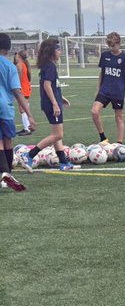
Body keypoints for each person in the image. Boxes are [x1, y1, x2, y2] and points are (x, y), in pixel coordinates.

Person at [20, 38, 76, 171]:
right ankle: (28, 155)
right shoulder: (50, 66)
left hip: (50, 102)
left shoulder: (47, 65)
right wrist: (55, 104)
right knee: (58, 135)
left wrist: (60, 98)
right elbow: (46, 86)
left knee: (56, 134)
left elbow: (51, 85)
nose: (60, 52)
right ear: (52, 52)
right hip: (51, 105)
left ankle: (63, 162)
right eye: (58, 50)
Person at [0, 33, 35, 190]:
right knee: (7, 140)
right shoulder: (10, 67)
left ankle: (4, 173)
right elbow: (17, 91)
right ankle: (7, 173)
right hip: (6, 108)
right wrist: (29, 115)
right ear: (8, 48)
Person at [90, 32, 125, 144]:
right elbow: (101, 73)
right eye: (109, 45)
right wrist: (97, 89)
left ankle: (119, 143)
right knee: (94, 112)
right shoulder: (105, 56)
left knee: (118, 118)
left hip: (118, 92)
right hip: (104, 90)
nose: (111, 47)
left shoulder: (124, 58)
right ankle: (103, 138)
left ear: (119, 44)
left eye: (113, 45)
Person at [13, 50, 35, 134]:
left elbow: (18, 78)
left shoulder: (19, 65)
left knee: (22, 109)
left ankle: (27, 128)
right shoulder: (24, 64)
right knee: (24, 108)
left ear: (19, 56)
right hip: (25, 88)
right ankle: (26, 127)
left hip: (22, 89)